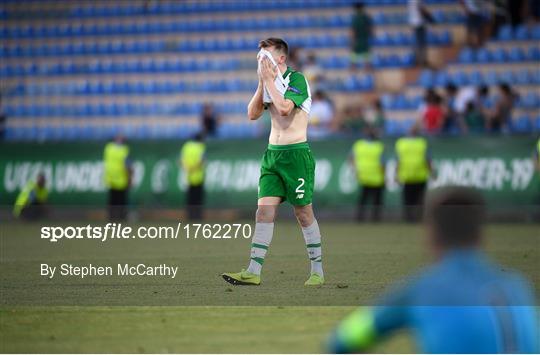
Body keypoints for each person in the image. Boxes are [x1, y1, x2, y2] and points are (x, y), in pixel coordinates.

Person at [328, 186, 539, 353]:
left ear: (431, 236)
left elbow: (342, 341)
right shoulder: (518, 285)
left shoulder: (420, 290)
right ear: (482, 236)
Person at [222, 37, 324, 286]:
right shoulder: (268, 83)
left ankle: (317, 271)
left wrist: (268, 80)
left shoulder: (296, 79)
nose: (261, 61)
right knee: (263, 211)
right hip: (272, 155)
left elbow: (286, 108)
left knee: (303, 212)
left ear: (280, 58)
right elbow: (252, 114)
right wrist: (261, 82)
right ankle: (253, 271)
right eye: (259, 57)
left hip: (296, 156)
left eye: (265, 56)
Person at [395, 125, 433, 222]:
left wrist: (396, 174)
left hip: (407, 175)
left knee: (408, 200)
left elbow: (398, 161)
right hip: (420, 175)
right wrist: (432, 172)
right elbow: (428, 160)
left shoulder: (401, 143)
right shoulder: (423, 143)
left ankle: (408, 218)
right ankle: (418, 218)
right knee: (419, 200)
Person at [351, 127, 386, 222]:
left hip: (363, 176)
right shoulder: (379, 146)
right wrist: (384, 176)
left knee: (363, 200)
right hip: (377, 177)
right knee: (377, 201)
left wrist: (355, 170)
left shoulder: (359, 145)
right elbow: (382, 164)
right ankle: (376, 219)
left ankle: (359, 218)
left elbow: (351, 158)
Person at [103, 134, 132, 220]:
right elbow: (128, 165)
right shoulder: (124, 150)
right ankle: (122, 217)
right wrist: (130, 178)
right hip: (121, 179)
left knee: (112, 200)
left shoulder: (108, 148)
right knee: (121, 200)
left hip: (111, 178)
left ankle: (111, 217)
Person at [180, 133, 206, 220]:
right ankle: (197, 217)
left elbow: (181, 160)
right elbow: (202, 161)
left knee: (190, 199)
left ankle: (190, 217)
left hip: (189, 177)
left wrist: (187, 168)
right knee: (198, 199)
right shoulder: (201, 147)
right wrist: (194, 168)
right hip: (199, 177)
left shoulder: (186, 146)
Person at [408, 0, 434, 67]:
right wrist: (429, 18)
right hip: (419, 22)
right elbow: (421, 9)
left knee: (418, 42)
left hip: (414, 22)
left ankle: (417, 60)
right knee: (421, 43)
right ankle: (421, 61)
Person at [350, 1, 373, 70]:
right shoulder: (366, 17)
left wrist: (352, 40)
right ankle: (367, 68)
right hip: (365, 39)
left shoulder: (355, 18)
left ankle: (353, 68)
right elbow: (370, 29)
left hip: (357, 39)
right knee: (366, 54)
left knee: (354, 54)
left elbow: (353, 31)